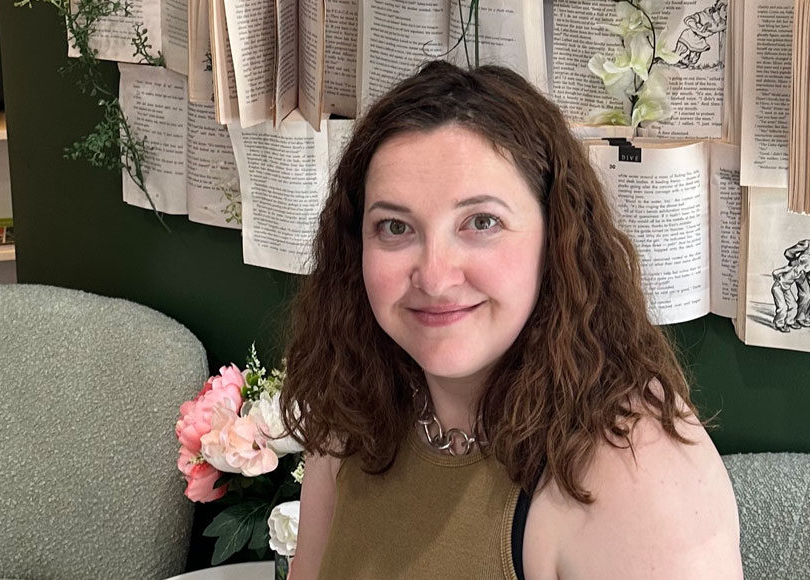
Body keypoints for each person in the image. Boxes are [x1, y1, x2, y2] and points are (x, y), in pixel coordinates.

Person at [279, 60, 742, 579]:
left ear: (556, 240)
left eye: (481, 222)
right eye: (394, 226)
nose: (434, 277)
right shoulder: (354, 405)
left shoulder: (640, 474)